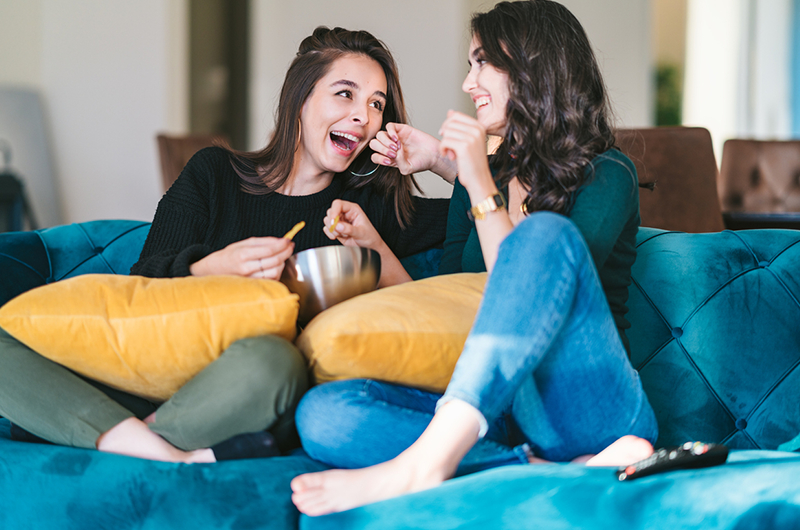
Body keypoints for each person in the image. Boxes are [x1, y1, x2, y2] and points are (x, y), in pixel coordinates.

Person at [0, 26, 448, 463]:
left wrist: (441, 163)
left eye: (376, 104)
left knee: (277, 363)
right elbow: (143, 282)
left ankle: (109, 434)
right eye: (345, 93)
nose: (363, 117)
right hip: (147, 367)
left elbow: (496, 215)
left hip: (237, 390)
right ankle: (167, 453)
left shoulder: (369, 207)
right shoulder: (214, 172)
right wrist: (212, 268)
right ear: (300, 98)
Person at [290, 0, 658, 516]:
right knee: (324, 414)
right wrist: (376, 244)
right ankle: (535, 470)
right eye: (470, 65)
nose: (469, 83)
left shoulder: (607, 174)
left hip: (583, 405)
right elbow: (452, 302)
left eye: (483, 62)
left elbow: (532, 291)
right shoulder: (479, 174)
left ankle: (428, 464)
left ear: (532, 66)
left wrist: (472, 175)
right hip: (497, 415)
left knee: (545, 235)